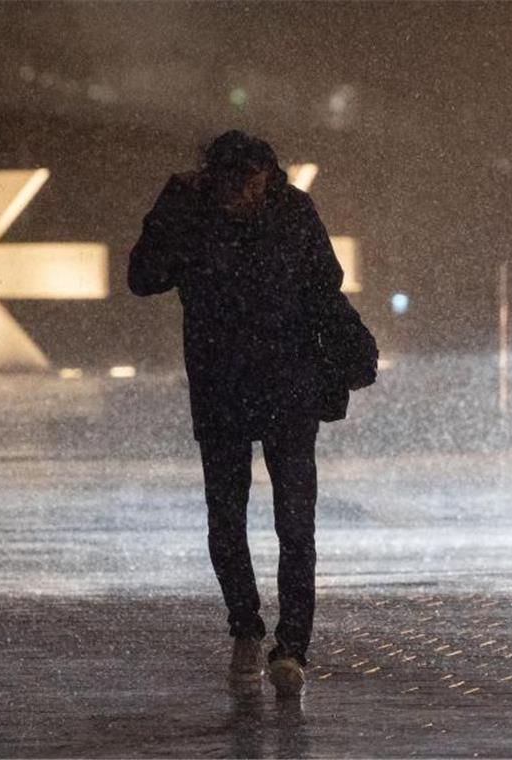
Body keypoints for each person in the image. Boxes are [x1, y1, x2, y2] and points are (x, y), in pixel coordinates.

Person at [128, 131, 377, 697]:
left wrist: (349, 348)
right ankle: (245, 626)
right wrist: (171, 205)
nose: (247, 196)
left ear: (270, 176)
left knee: (296, 521)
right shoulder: (190, 212)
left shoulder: (291, 211)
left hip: (288, 385)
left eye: (257, 183)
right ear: (214, 179)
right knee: (227, 517)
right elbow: (143, 278)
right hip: (220, 384)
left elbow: (324, 288)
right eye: (237, 184)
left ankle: (292, 648)